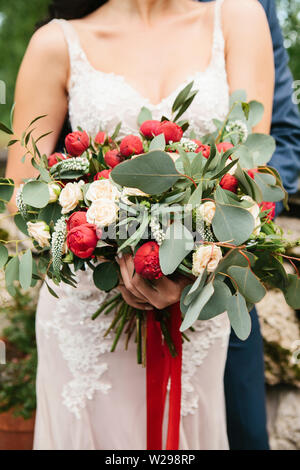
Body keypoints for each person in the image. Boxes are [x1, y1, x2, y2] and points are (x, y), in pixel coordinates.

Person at [6, 0, 275, 450]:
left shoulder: (238, 19)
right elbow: (19, 191)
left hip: (193, 300)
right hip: (86, 311)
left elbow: (253, 176)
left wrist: (185, 263)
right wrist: (106, 231)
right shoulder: (56, 42)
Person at [200, 0, 300, 450]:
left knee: (242, 436)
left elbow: (284, 136)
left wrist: (239, 215)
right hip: (111, 270)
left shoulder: (249, 8)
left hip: (226, 278)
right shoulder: (86, 13)